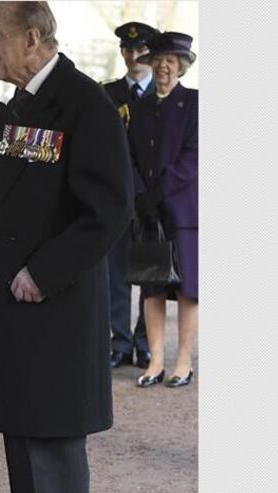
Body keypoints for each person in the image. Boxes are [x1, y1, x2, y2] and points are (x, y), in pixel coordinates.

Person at [0, 2, 132, 493]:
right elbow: (19, 196)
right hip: (13, 293)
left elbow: (108, 212)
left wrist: (43, 271)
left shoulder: (86, 104)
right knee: (21, 424)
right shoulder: (23, 101)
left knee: (53, 431)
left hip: (56, 299)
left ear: (32, 38)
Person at [128, 32, 198, 388]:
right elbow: (128, 156)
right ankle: (155, 362)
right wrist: (142, 196)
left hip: (184, 212)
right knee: (152, 286)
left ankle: (183, 362)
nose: (163, 66)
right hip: (148, 213)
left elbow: (194, 156)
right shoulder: (139, 108)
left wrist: (159, 193)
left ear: (181, 66)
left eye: (170, 60)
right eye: (158, 60)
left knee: (188, 288)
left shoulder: (195, 103)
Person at [101, 21, 159, 371]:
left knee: (152, 275)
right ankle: (119, 344)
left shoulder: (165, 93)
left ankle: (145, 343)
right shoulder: (106, 94)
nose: (134, 56)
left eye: (140, 50)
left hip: (153, 201)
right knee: (116, 274)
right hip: (117, 198)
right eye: (128, 50)